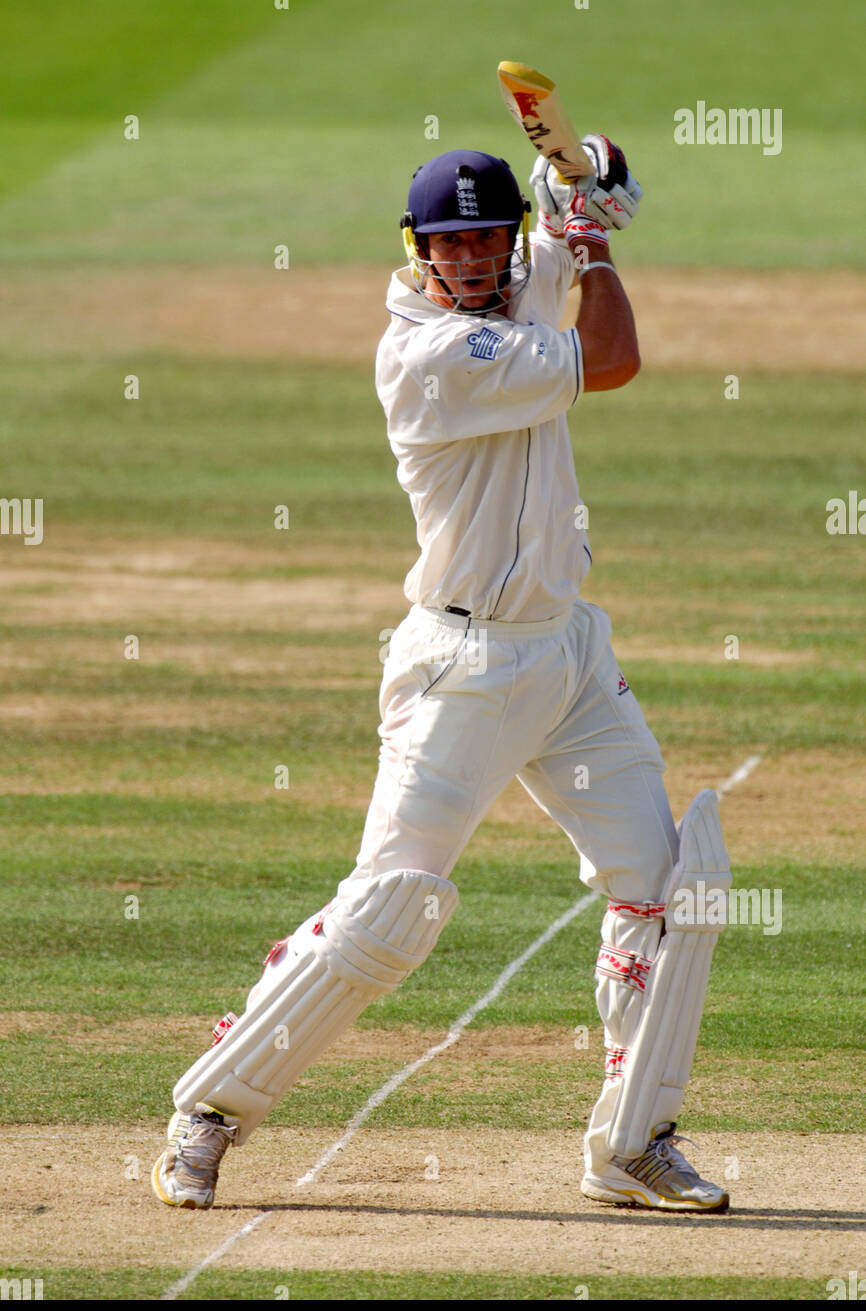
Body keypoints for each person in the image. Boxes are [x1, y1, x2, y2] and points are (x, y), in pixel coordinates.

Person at [152, 142, 732, 1213]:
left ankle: (633, 1141)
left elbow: (571, 223)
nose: (467, 258)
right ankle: (210, 1112)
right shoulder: (428, 355)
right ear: (415, 250)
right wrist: (590, 243)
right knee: (389, 910)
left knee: (671, 886)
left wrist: (585, 182)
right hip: (461, 667)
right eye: (447, 241)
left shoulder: (518, 282)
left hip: (566, 654)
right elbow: (606, 359)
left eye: (484, 237)